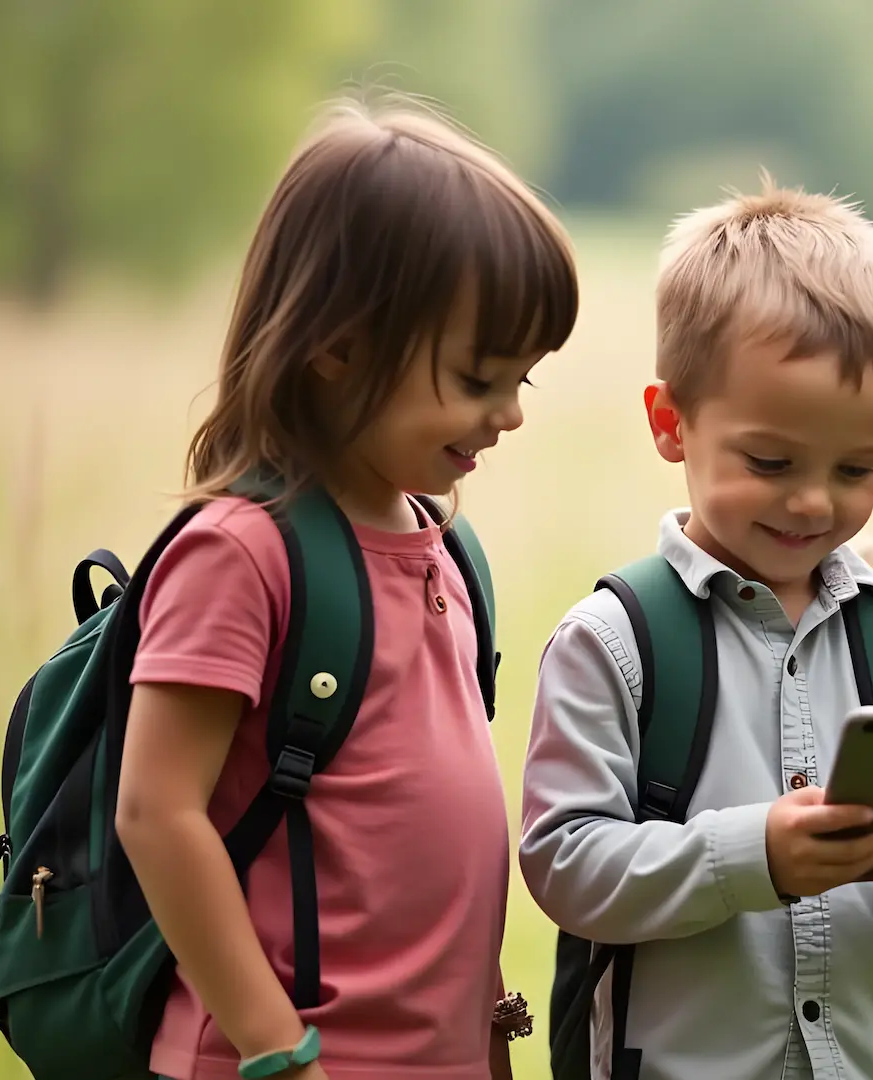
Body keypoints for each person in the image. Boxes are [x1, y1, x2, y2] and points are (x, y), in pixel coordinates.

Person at [115, 99, 579, 1080]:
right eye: (478, 377)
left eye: (523, 382)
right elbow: (158, 813)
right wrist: (277, 1050)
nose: (508, 415)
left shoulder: (446, 546)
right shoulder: (244, 552)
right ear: (340, 348)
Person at [518, 180, 873, 1080]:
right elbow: (565, 864)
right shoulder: (615, 642)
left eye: (856, 467)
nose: (812, 500)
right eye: (770, 460)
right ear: (671, 423)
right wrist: (752, 855)